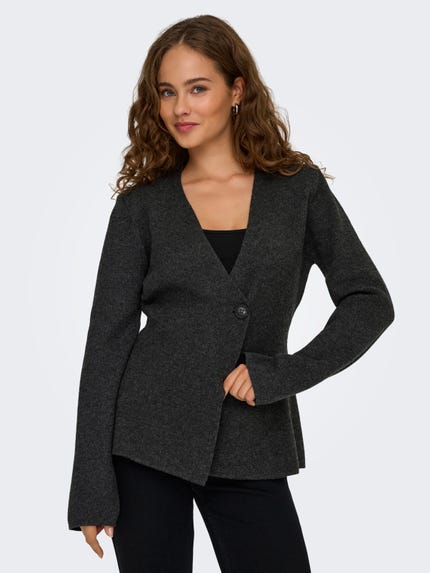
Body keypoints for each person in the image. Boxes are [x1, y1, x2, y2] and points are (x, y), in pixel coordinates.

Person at [67, 14, 395, 573]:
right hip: (144, 439)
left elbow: (369, 301)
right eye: (167, 92)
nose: (180, 107)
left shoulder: (298, 191)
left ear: (237, 90)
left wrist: (281, 373)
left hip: (252, 439)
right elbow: (107, 343)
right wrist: (91, 484)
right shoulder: (142, 206)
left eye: (198, 88)